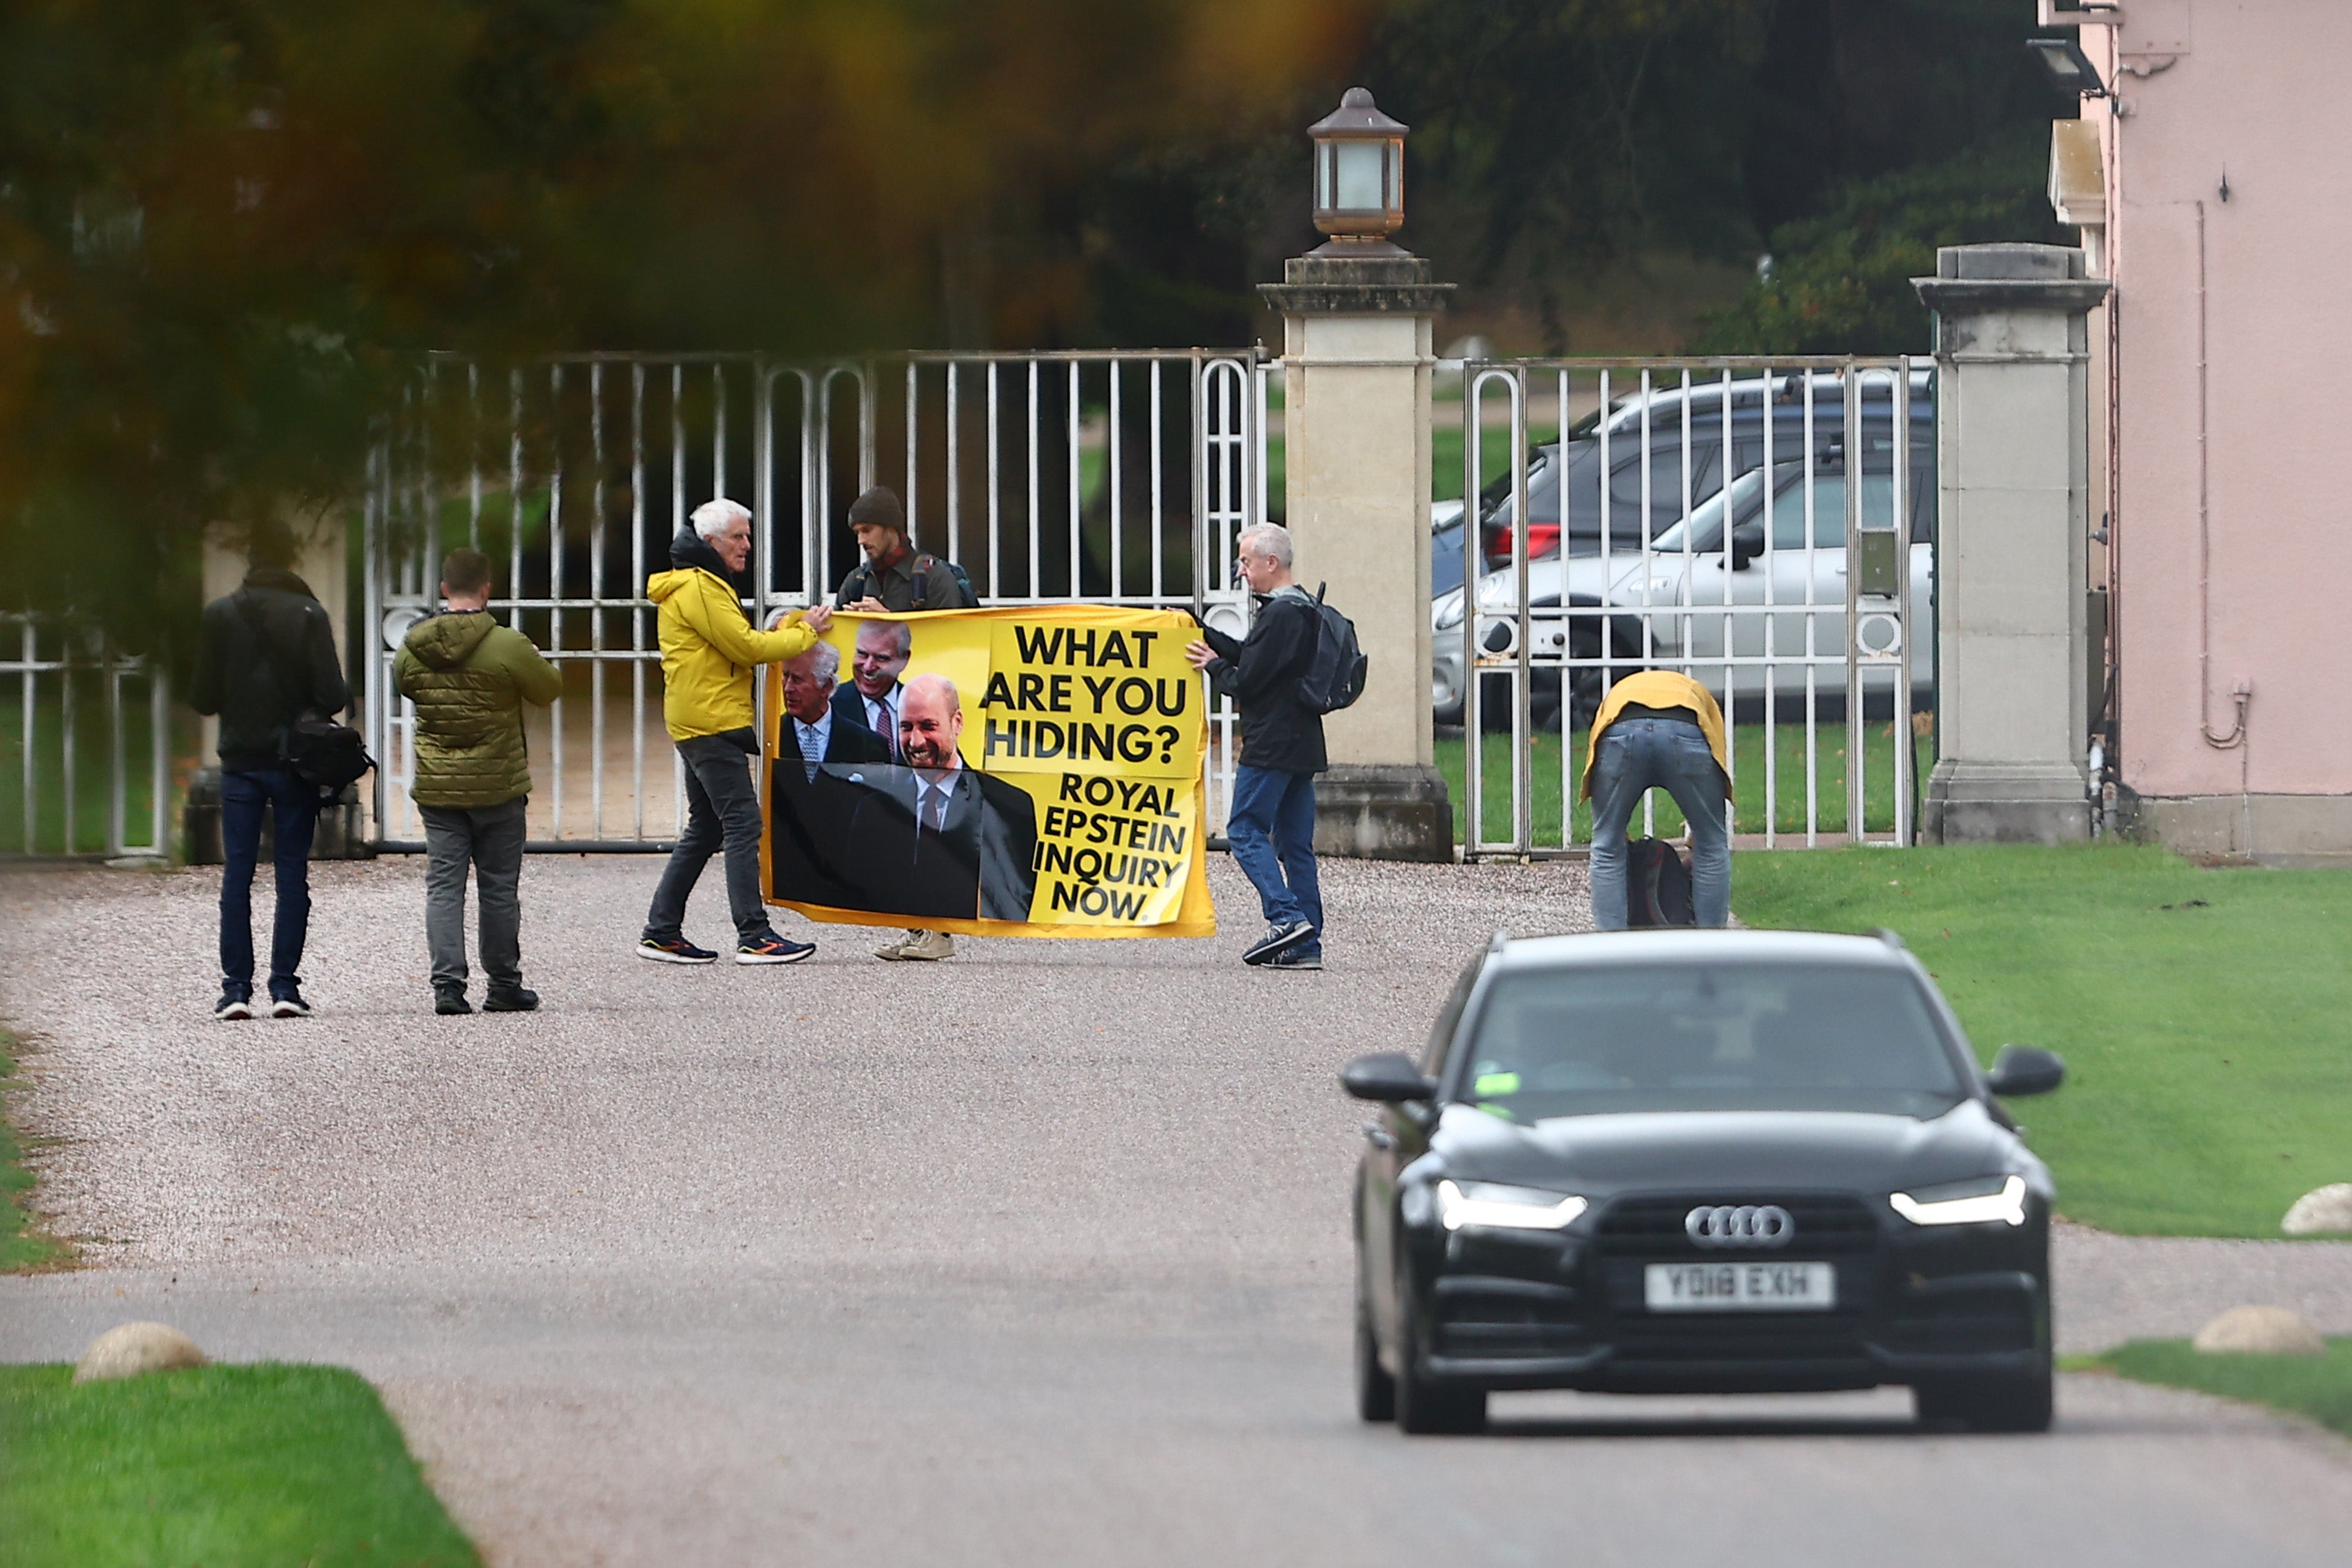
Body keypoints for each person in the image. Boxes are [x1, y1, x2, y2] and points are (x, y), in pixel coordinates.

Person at [639, 497, 834, 965]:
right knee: (743, 822)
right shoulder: (700, 587)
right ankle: (754, 934)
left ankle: (661, 930)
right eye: (739, 537)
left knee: (706, 827)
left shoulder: (699, 583)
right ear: (710, 542)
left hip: (699, 719)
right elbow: (745, 647)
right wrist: (806, 632)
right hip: (711, 723)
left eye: (748, 536)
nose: (748, 545)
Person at [393, 547, 563, 1016]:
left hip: (439, 787)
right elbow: (548, 689)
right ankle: (504, 984)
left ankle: (447, 986)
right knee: (498, 886)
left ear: (444, 589)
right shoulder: (507, 644)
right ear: (487, 588)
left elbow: (405, 686)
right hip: (499, 784)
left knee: (444, 885)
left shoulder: (412, 645)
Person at [190, 540, 351, 1019]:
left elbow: (202, 697)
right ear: (291, 562)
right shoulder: (309, 613)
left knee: (237, 875)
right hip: (292, 762)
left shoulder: (220, 614)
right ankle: (285, 986)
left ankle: (235, 989)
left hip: (240, 760)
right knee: (291, 874)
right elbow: (332, 693)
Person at [1184, 523, 1325, 971]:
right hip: (1302, 743)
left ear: (1271, 563)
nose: (1241, 571)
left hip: (1273, 744)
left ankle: (1286, 917)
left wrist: (1213, 666)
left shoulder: (1282, 615)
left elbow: (1246, 680)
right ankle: (1307, 940)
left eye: (1246, 562)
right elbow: (1253, 656)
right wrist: (1202, 632)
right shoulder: (1300, 607)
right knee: (1294, 844)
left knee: (1244, 830)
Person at [841, 674, 1039, 928]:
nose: (916, 742)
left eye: (928, 726)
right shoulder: (873, 809)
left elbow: (1012, 905)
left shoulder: (1009, 808)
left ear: (957, 723)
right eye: (906, 727)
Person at [1581, 669, 1732, 930]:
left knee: (1606, 846)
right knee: (1712, 845)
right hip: (1686, 725)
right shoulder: (1700, 695)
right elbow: (1716, 760)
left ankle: (1609, 951)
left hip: (1621, 726)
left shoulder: (1618, 692)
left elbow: (1600, 740)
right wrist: (1696, 845)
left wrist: (1621, 839)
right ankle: (1712, 949)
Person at [770, 641, 893, 911]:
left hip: (852, 886)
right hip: (786, 886)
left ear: (827, 687)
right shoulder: (769, 740)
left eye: (798, 680)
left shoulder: (870, 746)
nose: (788, 688)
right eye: (786, 676)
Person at [834, 486, 973, 612]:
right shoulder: (856, 582)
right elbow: (835, 639)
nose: (861, 541)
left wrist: (887, 621)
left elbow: (948, 637)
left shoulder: (935, 578)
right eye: (857, 533)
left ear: (891, 528)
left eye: (867, 530)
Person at [830, 618, 912, 762]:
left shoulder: (919, 705)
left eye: (881, 658)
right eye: (862, 654)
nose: (868, 667)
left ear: (904, 660)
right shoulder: (829, 705)